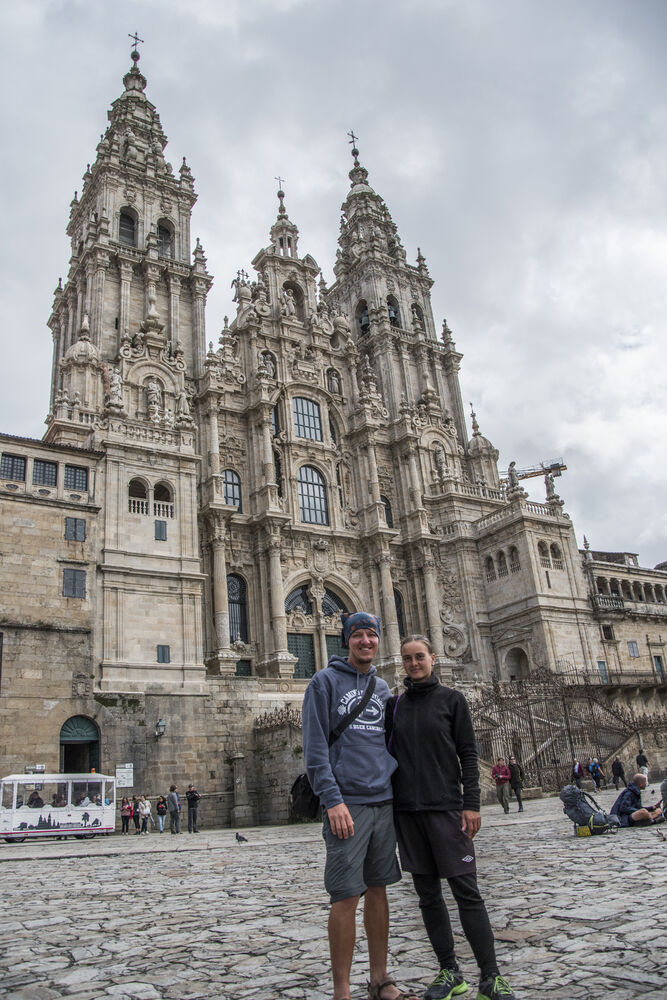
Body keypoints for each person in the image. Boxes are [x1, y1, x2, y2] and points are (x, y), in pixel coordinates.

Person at [386, 635, 516, 1000]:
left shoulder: (453, 701)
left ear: (433, 658)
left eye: (419, 657)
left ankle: (491, 976)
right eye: (408, 658)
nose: (414, 663)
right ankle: (449, 971)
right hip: (409, 814)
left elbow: (469, 755)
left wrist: (470, 804)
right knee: (427, 896)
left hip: (446, 809)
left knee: (467, 893)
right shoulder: (394, 707)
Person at [302, 612, 411, 1000]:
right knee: (346, 896)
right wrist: (332, 800)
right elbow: (315, 751)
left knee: (379, 891)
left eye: (371, 635)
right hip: (347, 805)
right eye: (358, 635)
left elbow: (391, 744)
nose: (365, 641)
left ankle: (380, 978)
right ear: (345, 640)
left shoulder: (382, 688)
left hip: (383, 802)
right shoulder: (323, 682)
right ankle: (342, 991)